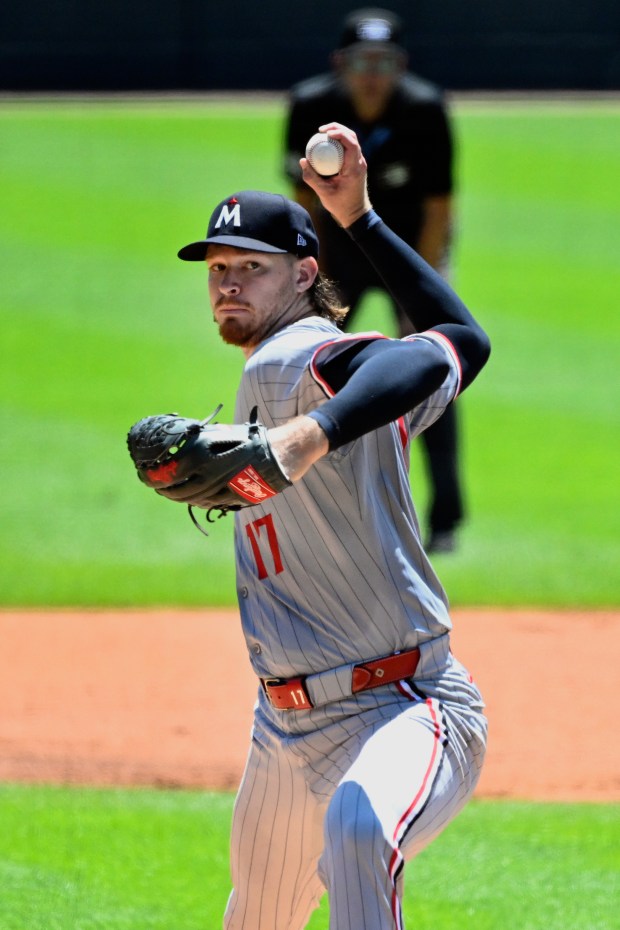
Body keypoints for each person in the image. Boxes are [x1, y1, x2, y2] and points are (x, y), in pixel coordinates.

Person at [168, 123, 490, 929]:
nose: (228, 285)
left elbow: (414, 358)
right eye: (218, 270)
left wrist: (309, 436)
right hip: (283, 726)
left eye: (251, 268)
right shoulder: (264, 374)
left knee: (358, 829)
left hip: (407, 706)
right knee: (257, 917)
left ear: (306, 274)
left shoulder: (298, 356)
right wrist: (364, 217)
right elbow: (464, 343)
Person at [284, 7, 463, 553]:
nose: (372, 73)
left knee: (436, 373)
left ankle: (446, 519)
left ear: (400, 65)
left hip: (409, 254)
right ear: (342, 63)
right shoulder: (312, 106)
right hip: (337, 257)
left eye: (384, 62)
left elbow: (439, 206)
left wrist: (423, 285)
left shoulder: (425, 109)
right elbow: (303, 201)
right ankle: (300, 508)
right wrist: (308, 277)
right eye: (362, 61)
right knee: (304, 370)